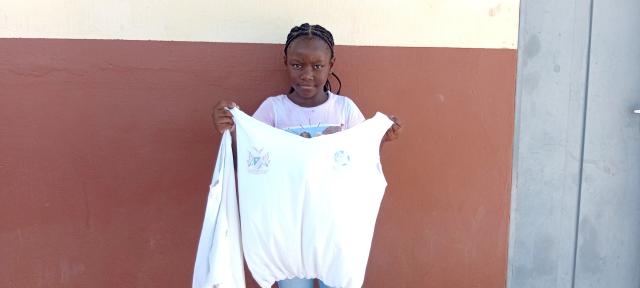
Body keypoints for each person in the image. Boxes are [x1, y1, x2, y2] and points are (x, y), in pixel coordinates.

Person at [211, 23, 402, 288]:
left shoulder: (344, 110)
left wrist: (379, 139)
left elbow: (361, 162)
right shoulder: (273, 110)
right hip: (287, 231)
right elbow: (246, 162)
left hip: (334, 229)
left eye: (317, 66)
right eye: (297, 65)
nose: (307, 74)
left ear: (331, 64)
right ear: (285, 63)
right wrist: (228, 131)